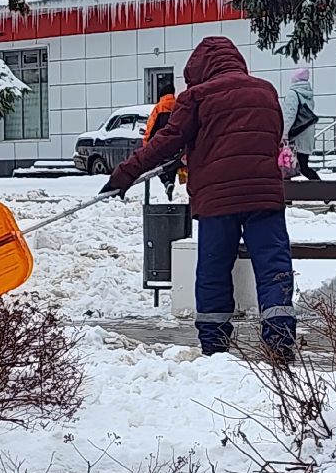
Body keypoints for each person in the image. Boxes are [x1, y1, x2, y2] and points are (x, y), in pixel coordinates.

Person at [106, 37, 296, 360]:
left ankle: (214, 345)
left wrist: (125, 174)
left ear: (199, 70)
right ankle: (279, 341)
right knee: (272, 264)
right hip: (264, 197)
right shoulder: (266, 92)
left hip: (218, 201)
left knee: (213, 268)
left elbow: (165, 141)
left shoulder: (198, 96)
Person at [280, 67, 322, 182]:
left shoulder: (293, 94)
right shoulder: (308, 94)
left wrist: (283, 134)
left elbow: (288, 116)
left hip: (295, 138)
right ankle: (323, 191)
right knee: (303, 166)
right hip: (305, 136)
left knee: (286, 167)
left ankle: (288, 198)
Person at [145, 92, 183, 198]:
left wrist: (146, 143)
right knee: (173, 163)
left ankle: (166, 182)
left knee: (157, 164)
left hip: (160, 143)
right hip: (176, 144)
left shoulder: (159, 107)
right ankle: (170, 183)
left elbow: (150, 127)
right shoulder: (178, 105)